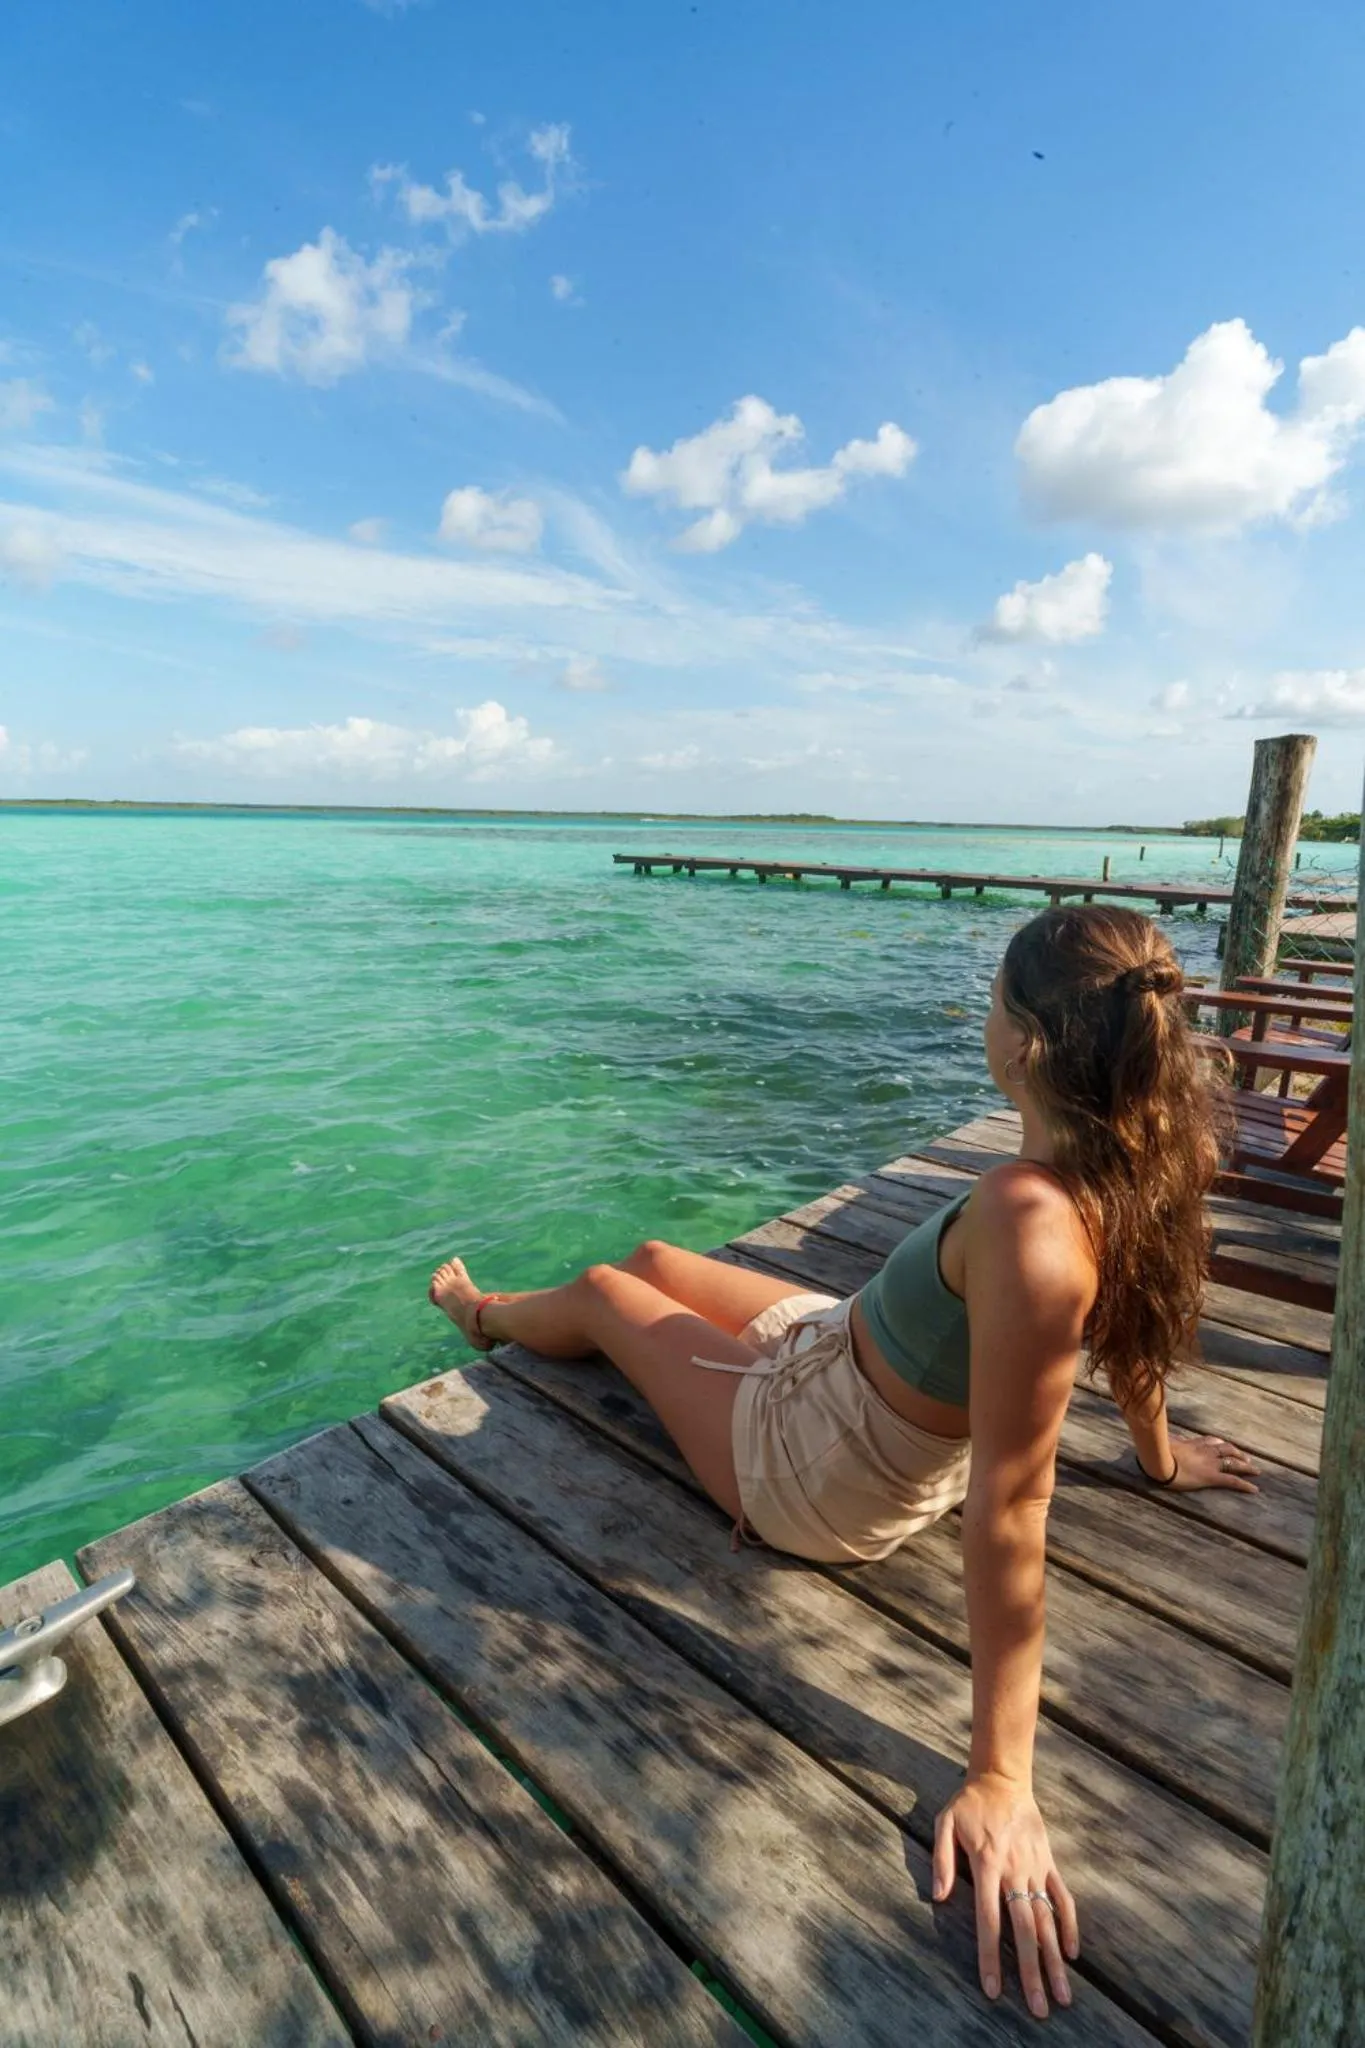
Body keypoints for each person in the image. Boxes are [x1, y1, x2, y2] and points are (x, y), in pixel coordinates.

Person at [429, 903, 1258, 2021]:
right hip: (843, 1351)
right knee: (659, 1257)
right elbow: (1131, 1335)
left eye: (994, 999)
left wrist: (1003, 1778)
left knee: (600, 1291)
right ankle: (559, 1322)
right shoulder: (1128, 1149)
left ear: (1023, 1046)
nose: (984, 1017)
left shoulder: (1027, 1215)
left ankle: (479, 1315)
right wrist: (1158, 1463)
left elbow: (1016, 1503)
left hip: (815, 1458)